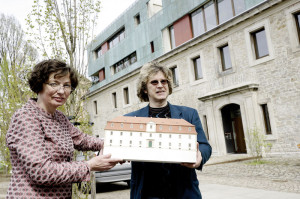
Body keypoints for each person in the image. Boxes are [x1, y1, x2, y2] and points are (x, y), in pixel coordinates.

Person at [6, 59, 122, 198]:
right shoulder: (26, 117)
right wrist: (89, 165)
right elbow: (42, 171)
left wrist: (113, 144)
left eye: (67, 85)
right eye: (54, 84)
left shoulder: (60, 118)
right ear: (39, 85)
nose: (61, 91)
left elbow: (82, 140)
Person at [125, 62, 212, 199]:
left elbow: (204, 145)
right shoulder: (131, 119)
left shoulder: (189, 114)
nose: (160, 85)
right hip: (147, 194)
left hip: (184, 192)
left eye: (163, 81)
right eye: (154, 82)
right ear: (145, 89)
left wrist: (199, 157)